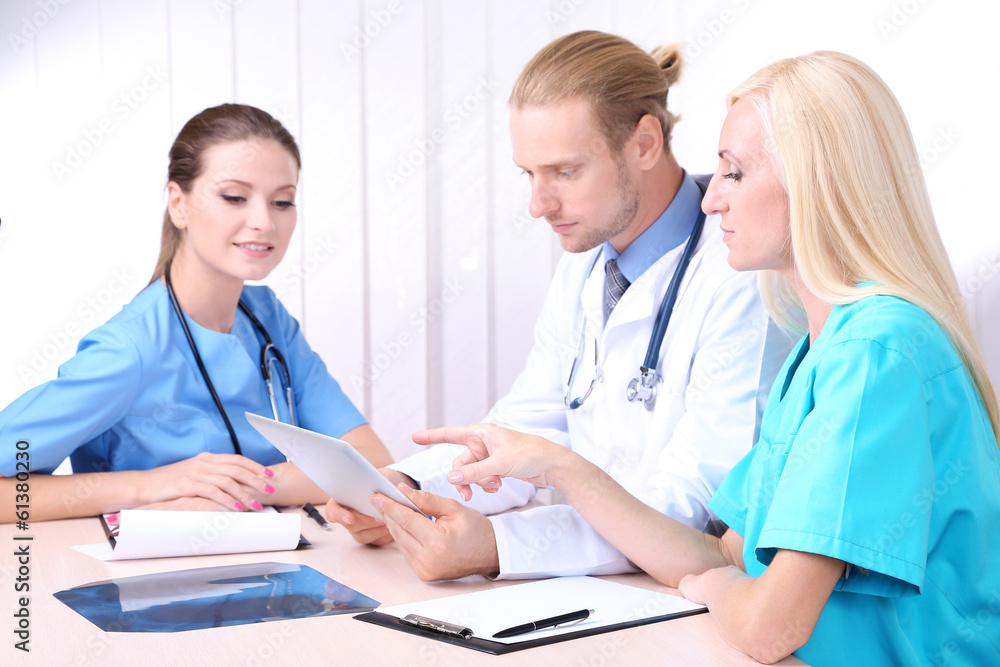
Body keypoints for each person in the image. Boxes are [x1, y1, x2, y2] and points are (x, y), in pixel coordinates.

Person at [404, 51, 1000, 665]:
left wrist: (714, 588)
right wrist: (560, 470)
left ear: (817, 182)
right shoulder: (818, 355)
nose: (711, 200)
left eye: (734, 174)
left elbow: (769, 625)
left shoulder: (875, 352)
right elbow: (721, 550)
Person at [326, 31, 793, 581]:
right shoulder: (589, 254)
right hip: (607, 587)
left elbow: (696, 511)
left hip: (688, 602)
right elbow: (534, 427)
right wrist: (408, 494)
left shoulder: (744, 273)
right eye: (529, 173)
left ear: (644, 144)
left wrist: (499, 547)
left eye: (564, 172)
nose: (537, 205)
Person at [0, 103, 392, 523]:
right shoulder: (130, 349)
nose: (263, 221)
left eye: (282, 201)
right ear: (178, 204)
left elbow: (374, 463)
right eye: (235, 197)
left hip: (276, 565)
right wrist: (152, 486)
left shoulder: (268, 319)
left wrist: (240, 484)